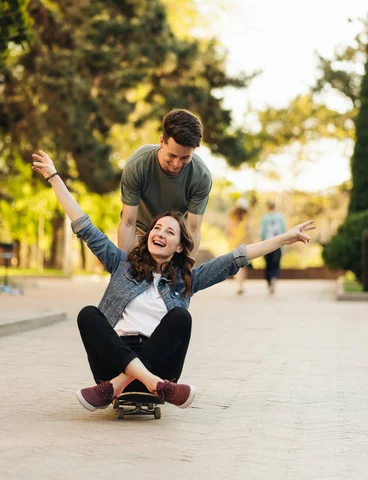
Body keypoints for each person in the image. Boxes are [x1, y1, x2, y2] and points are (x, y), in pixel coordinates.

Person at [32, 149, 315, 412]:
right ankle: (154, 386)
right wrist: (54, 177)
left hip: (160, 361)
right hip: (114, 358)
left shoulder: (186, 280)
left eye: (170, 232)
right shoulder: (122, 265)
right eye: (157, 228)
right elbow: (84, 225)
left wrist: (286, 237)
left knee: (181, 316)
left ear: (180, 246)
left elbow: (235, 258)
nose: (160, 233)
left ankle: (116, 387)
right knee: (88, 315)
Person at [118, 109, 212, 259]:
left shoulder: (201, 176)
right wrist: (124, 269)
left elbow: (193, 229)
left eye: (185, 157)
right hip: (140, 231)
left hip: (174, 236)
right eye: (173, 155)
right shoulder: (138, 165)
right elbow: (128, 223)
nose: (177, 163)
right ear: (162, 142)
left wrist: (185, 271)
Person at [260, 201, 286, 294]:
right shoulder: (280, 217)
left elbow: (262, 232)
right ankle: (274, 278)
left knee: (268, 264)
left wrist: (261, 243)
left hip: (267, 243)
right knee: (276, 263)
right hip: (277, 244)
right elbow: (283, 231)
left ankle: (269, 280)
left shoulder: (265, 218)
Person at [227, 197, 252, 295]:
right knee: (243, 266)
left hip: (234, 244)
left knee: (238, 266)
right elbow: (248, 232)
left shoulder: (232, 217)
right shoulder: (246, 218)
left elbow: (228, 231)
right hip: (243, 245)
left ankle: (239, 286)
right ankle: (240, 285)